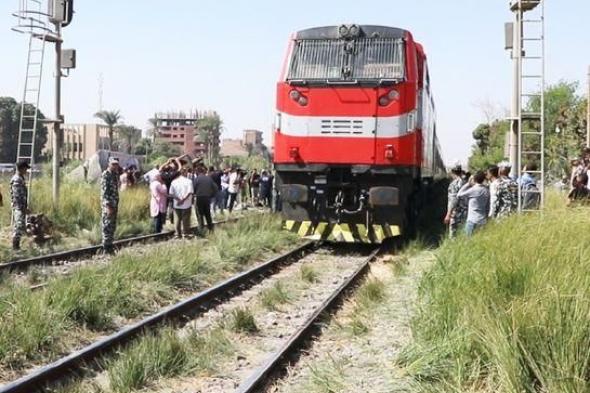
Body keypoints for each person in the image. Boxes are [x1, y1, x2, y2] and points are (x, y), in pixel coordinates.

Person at [457, 171, 490, 236]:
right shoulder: (486, 190)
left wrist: (468, 184)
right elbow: (487, 207)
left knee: (468, 241)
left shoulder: (473, 190)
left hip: (472, 220)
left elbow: (459, 195)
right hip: (483, 220)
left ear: (474, 179)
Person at [101, 157, 120, 254]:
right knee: (107, 225)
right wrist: (108, 206)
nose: (115, 166)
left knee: (112, 225)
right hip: (108, 205)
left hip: (115, 204)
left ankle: (110, 245)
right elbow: (105, 192)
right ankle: (106, 247)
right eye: (113, 164)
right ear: (109, 164)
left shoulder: (115, 174)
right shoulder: (106, 175)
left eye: (116, 164)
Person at [169, 167, 193, 238]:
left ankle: (177, 234)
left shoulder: (174, 182)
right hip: (186, 204)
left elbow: (171, 193)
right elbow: (189, 192)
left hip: (177, 204)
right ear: (185, 173)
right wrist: (183, 200)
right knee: (186, 219)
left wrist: (178, 200)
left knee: (177, 219)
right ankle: (186, 233)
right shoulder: (189, 181)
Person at [10, 161, 30, 250]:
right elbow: (17, 196)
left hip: (20, 206)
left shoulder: (20, 178)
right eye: (25, 169)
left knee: (20, 225)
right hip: (18, 207)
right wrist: (23, 208)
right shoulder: (17, 180)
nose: (26, 171)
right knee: (18, 225)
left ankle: (17, 246)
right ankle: (15, 247)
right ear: (21, 169)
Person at [193, 165, 218, 233]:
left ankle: (201, 229)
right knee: (207, 214)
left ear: (197, 172)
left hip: (199, 198)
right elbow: (215, 188)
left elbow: (193, 189)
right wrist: (211, 195)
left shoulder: (196, 179)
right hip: (207, 198)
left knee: (200, 214)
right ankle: (211, 229)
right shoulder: (209, 178)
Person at [444, 165, 467, 238]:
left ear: (452, 172)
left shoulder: (453, 184)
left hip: (456, 212)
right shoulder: (465, 182)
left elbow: (453, 200)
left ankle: (453, 246)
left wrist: (448, 214)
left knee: (453, 234)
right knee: (463, 232)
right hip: (465, 211)